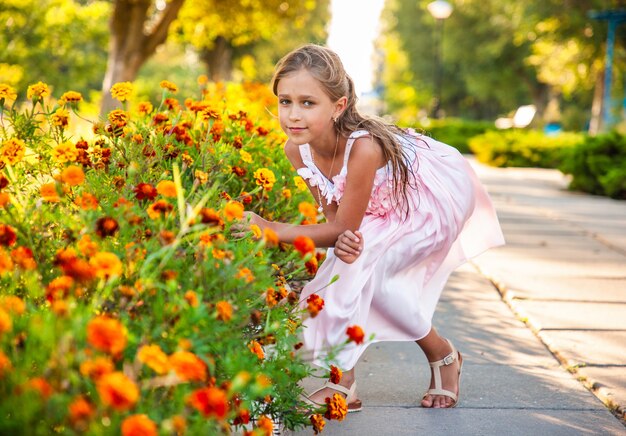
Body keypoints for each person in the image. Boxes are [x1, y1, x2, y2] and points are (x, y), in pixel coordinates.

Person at [238, 44, 504, 410]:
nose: (293, 115)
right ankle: (350, 379)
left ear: (339, 106)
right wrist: (343, 244)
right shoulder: (295, 149)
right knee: (347, 266)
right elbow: (336, 221)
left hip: (425, 204)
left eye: (307, 103)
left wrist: (270, 227)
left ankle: (436, 358)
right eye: (285, 102)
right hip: (375, 214)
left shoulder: (364, 149)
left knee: (372, 275)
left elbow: (342, 225)